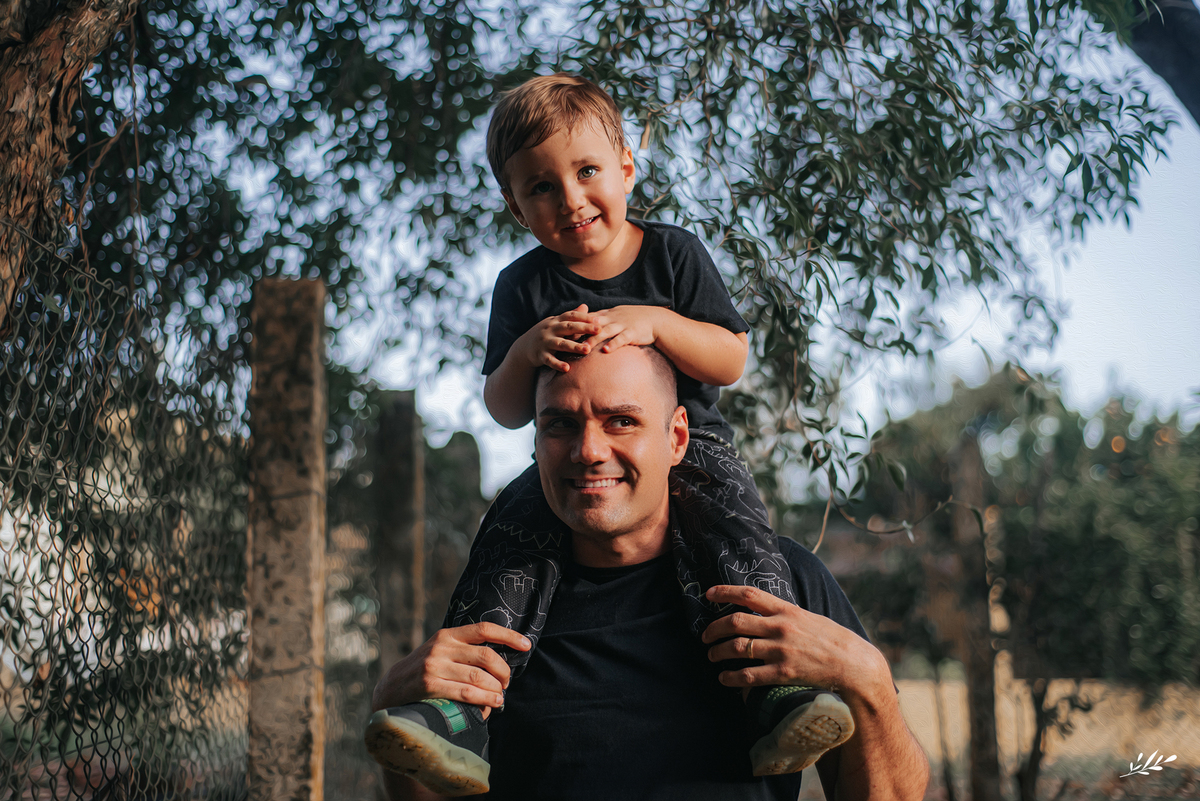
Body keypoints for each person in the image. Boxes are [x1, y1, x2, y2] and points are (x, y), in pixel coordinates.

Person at [365, 72, 855, 795]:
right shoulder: (523, 286)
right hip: (560, 464)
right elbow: (505, 406)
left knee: (740, 548)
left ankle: (774, 695)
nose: (570, 199)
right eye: (541, 187)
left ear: (627, 166)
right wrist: (526, 351)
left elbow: (730, 357)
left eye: (587, 171)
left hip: (694, 453)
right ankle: (458, 712)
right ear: (515, 205)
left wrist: (657, 323)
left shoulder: (672, 256)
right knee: (503, 549)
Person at [370, 346, 931, 799]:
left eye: (621, 421)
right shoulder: (501, 609)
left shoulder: (781, 584)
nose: (589, 450)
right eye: (560, 424)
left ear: (677, 437)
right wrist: (391, 698)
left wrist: (866, 677)